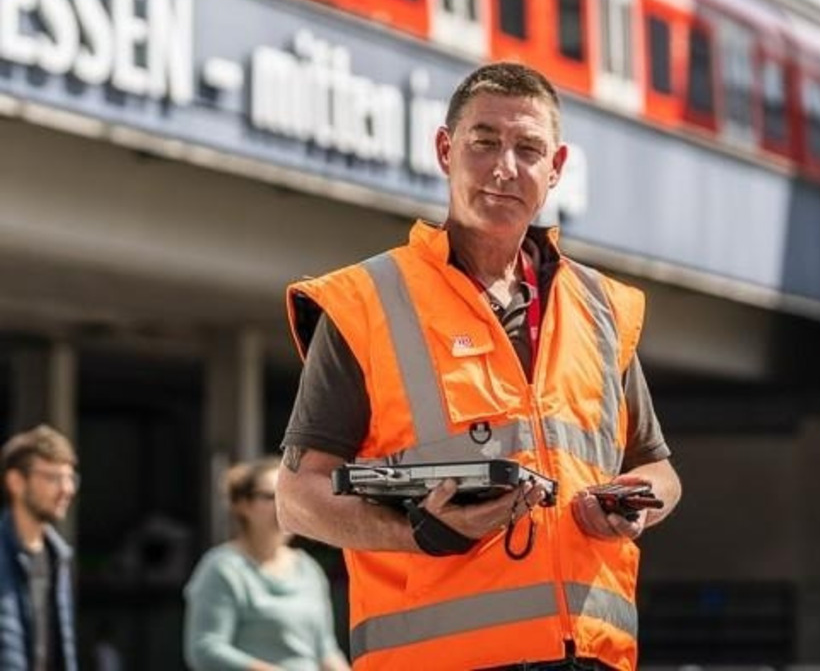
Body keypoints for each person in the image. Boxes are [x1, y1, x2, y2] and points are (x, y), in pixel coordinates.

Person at [277, 61, 682, 671]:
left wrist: (636, 502)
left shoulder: (599, 307)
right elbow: (296, 500)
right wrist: (416, 533)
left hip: (593, 659)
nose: (505, 167)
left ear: (556, 168)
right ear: (445, 150)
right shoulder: (367, 302)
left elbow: (657, 468)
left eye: (528, 149)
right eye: (484, 142)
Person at [183, 456, 350, 671]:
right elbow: (206, 650)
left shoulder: (309, 569)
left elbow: (325, 650)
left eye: (290, 495)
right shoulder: (222, 568)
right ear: (243, 505)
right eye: (271, 496)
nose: (283, 505)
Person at [0, 423, 79, 671]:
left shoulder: (58, 556)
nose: (67, 489)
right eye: (53, 478)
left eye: (70, 478)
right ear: (16, 482)